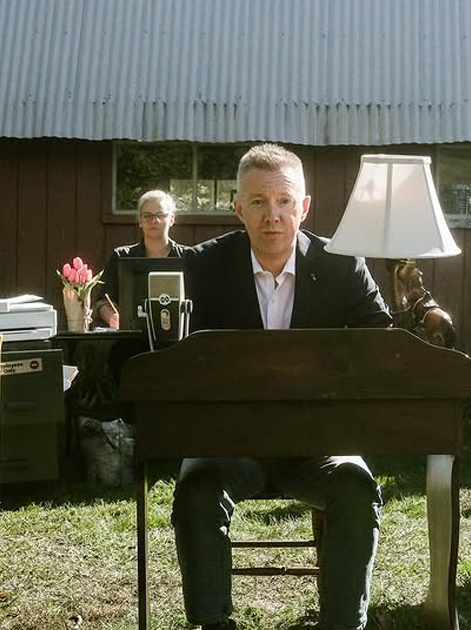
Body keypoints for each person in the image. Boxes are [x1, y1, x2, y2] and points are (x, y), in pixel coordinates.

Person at [174, 144, 391, 630]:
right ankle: (212, 623)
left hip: (318, 446)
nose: (272, 215)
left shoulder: (343, 265)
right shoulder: (201, 267)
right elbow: (169, 355)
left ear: (304, 206)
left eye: (284, 201)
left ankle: (341, 625)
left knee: (356, 487)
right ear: (238, 208)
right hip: (229, 445)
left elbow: (382, 347)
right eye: (257, 202)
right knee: (195, 488)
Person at [93, 189, 189, 328]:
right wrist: (112, 317)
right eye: (147, 216)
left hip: (177, 339)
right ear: (140, 220)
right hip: (131, 339)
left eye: (160, 215)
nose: (153, 220)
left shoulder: (187, 257)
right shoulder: (121, 257)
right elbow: (102, 301)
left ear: (172, 219)